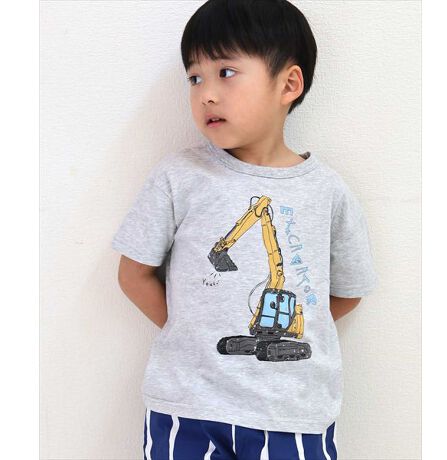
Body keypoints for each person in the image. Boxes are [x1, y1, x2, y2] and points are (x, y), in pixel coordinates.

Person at [111, 0, 378, 459]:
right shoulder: (180, 177)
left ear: (288, 84)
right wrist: (192, 330)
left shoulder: (327, 192)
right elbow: (133, 274)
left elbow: (349, 291)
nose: (206, 94)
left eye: (226, 72)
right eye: (195, 78)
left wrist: (298, 330)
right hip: (187, 409)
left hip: (291, 415)